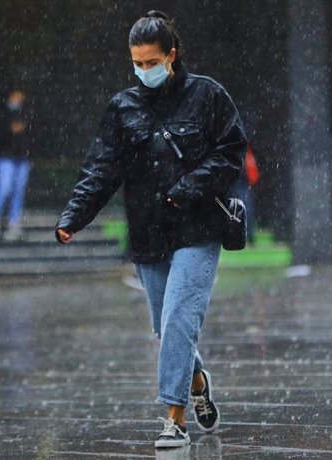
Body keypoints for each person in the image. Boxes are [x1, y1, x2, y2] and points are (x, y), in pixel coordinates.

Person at [55, 10, 246, 449]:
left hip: (198, 229)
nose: (144, 71)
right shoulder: (123, 108)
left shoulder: (207, 96)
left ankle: (173, 418)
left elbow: (232, 152)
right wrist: (73, 217)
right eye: (137, 63)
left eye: (151, 61)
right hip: (148, 234)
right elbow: (100, 171)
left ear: (171, 55)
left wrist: (188, 187)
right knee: (166, 328)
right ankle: (197, 384)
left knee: (180, 318)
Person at [0, 88, 34, 242]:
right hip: (6, 157)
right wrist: (9, 130)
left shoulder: (26, 112)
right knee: (4, 189)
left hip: (21, 158)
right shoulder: (2, 113)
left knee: (18, 191)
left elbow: (31, 132)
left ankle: (14, 223)